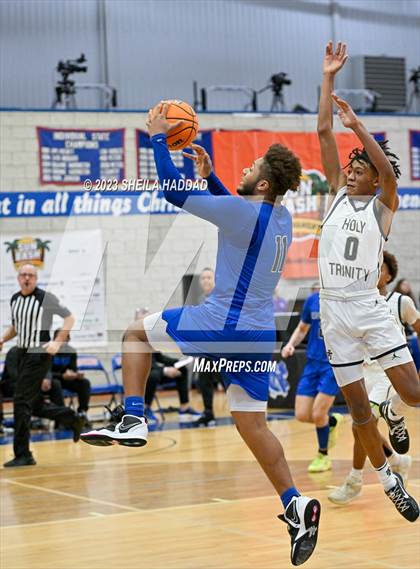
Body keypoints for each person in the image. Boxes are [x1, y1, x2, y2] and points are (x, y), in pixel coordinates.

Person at [82, 104, 321, 565]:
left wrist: (157, 137)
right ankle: (294, 504)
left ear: (264, 185)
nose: (245, 170)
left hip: (223, 323)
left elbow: (173, 192)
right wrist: (211, 179)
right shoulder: (282, 218)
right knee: (252, 425)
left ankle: (133, 418)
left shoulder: (242, 212)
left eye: (252, 167)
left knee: (135, 335)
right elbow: (235, 216)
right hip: (258, 335)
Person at [317, 40, 419, 521]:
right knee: (358, 413)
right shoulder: (336, 195)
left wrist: (357, 125)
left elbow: (385, 172)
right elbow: (322, 130)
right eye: (351, 168)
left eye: (361, 170)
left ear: (375, 180)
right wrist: (327, 78)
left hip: (369, 306)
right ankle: (388, 481)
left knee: (413, 394)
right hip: (333, 310)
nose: (353, 173)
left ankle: (395, 414)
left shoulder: (383, 205)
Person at [329, 251, 419, 504]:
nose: (372, 272)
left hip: (388, 373)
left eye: (379, 268)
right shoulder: (358, 304)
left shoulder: (400, 302)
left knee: (361, 424)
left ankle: (355, 480)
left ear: (389, 275)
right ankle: (396, 460)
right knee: (362, 426)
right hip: (364, 371)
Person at [0, 264, 83, 467]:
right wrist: (2, 338)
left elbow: (70, 318)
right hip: (21, 353)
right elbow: (16, 327)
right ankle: (71, 418)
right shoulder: (15, 299)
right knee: (33, 403)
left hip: (38, 353)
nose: (27, 278)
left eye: (31, 275)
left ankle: (23, 454)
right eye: (23, 275)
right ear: (18, 278)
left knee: (20, 399)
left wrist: (57, 342)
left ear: (36, 279)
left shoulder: (45, 298)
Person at [281, 284, 342, 473]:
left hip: (333, 365)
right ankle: (332, 422)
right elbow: (302, 328)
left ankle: (323, 455)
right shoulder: (312, 300)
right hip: (312, 363)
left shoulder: (344, 299)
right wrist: (290, 344)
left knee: (317, 414)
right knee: (301, 414)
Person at [194, 267, 221, 427]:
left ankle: (242, 413)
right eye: (203, 278)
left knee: (227, 380)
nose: (206, 280)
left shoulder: (221, 299)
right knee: (203, 381)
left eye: (209, 277)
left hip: (221, 349)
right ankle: (208, 413)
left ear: (214, 280)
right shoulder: (199, 300)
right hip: (204, 350)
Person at [144, 351, 200, 425]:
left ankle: (184, 408)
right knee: (154, 375)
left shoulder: (150, 345)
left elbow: (159, 358)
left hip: (155, 370)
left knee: (182, 369)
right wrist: (164, 370)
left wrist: (178, 362)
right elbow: (141, 364)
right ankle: (145, 409)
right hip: (141, 373)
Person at [50, 329, 92, 424]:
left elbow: (73, 369)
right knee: (56, 384)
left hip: (67, 379)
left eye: (65, 338)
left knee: (84, 383)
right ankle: (61, 416)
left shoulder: (71, 351)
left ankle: (82, 413)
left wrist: (76, 375)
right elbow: (46, 372)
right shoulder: (49, 352)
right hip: (54, 380)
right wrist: (61, 376)